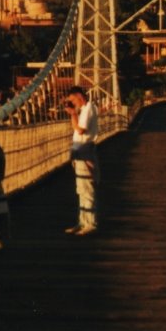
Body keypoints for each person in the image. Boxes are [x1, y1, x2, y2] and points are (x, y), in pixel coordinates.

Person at [63, 86, 98, 236]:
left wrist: (72, 115)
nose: (72, 103)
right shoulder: (84, 109)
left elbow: (80, 129)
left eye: (72, 100)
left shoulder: (89, 108)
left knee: (86, 190)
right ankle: (83, 222)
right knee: (81, 190)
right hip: (80, 152)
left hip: (84, 151)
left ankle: (90, 223)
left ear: (79, 96)